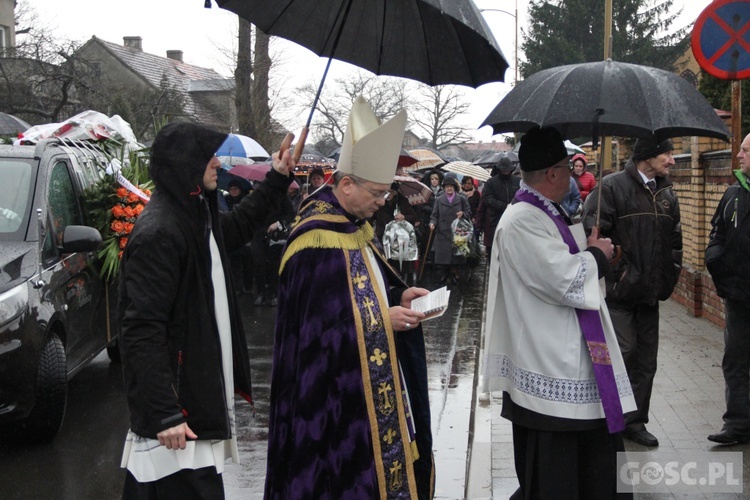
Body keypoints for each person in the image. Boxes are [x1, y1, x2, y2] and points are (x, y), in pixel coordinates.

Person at [265, 96, 435, 499]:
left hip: (367, 392)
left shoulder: (351, 225)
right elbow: (314, 334)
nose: (382, 201)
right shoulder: (316, 240)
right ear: (345, 184)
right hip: (330, 407)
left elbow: (364, 288)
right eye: (377, 192)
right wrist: (382, 320)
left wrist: (399, 294)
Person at [117, 122, 294, 498]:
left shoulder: (194, 214)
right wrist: (165, 411)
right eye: (207, 156)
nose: (217, 163)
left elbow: (239, 226)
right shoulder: (160, 232)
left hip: (192, 400)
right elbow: (141, 329)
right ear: (185, 165)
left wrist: (276, 177)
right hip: (179, 411)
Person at [482, 126, 635, 499]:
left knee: (593, 465)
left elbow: (563, 260)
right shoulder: (521, 220)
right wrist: (596, 254)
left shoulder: (544, 212)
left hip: (567, 355)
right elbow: (563, 278)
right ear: (551, 173)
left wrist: (593, 245)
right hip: (550, 364)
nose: (571, 175)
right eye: (567, 168)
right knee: (558, 477)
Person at [582, 136, 682, 448]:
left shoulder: (666, 192)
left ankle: (634, 421)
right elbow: (594, 234)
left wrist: (668, 279)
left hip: (651, 295)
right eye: (667, 153)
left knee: (645, 362)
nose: (672, 160)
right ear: (647, 156)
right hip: (621, 295)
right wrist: (620, 273)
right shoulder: (612, 187)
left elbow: (675, 241)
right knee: (619, 357)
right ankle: (609, 417)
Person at [705, 132, 750, 445]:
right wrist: (714, 257)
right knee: (735, 361)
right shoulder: (734, 193)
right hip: (738, 296)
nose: (739, 156)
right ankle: (737, 425)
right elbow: (717, 231)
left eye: (746, 150)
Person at [372, 181, 421, 284]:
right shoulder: (380, 201)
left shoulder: (402, 202)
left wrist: (404, 217)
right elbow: (372, 216)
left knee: (398, 265)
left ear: (395, 192)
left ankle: (400, 283)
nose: (387, 195)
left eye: (389, 192)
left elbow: (414, 217)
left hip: (398, 241)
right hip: (382, 236)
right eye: (385, 192)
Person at [429, 172, 471, 285]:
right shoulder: (439, 200)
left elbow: (469, 212)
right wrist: (432, 223)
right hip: (442, 232)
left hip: (457, 232)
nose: (449, 188)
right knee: (443, 257)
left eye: (451, 186)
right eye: (447, 186)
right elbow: (434, 215)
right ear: (444, 188)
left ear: (455, 188)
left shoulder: (461, 199)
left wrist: (463, 214)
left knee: (455, 257)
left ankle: (453, 275)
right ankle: (445, 274)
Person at [475, 156, 520, 258]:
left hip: (514, 220)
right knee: (493, 252)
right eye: (503, 171)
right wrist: (504, 206)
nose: (505, 173)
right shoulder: (491, 183)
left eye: (507, 171)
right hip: (494, 221)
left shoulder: (517, 182)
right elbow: (487, 199)